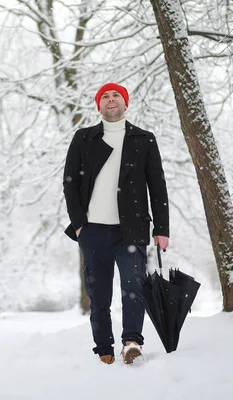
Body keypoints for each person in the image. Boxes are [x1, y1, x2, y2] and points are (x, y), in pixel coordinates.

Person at [62, 82, 169, 365]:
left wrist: (161, 229)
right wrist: (80, 224)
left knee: (134, 287)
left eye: (116, 96)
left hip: (131, 231)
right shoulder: (84, 138)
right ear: (98, 106)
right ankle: (105, 351)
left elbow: (157, 187)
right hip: (93, 231)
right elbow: (70, 184)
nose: (111, 100)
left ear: (126, 103)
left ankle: (132, 342)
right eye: (105, 97)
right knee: (99, 297)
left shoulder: (143, 140)